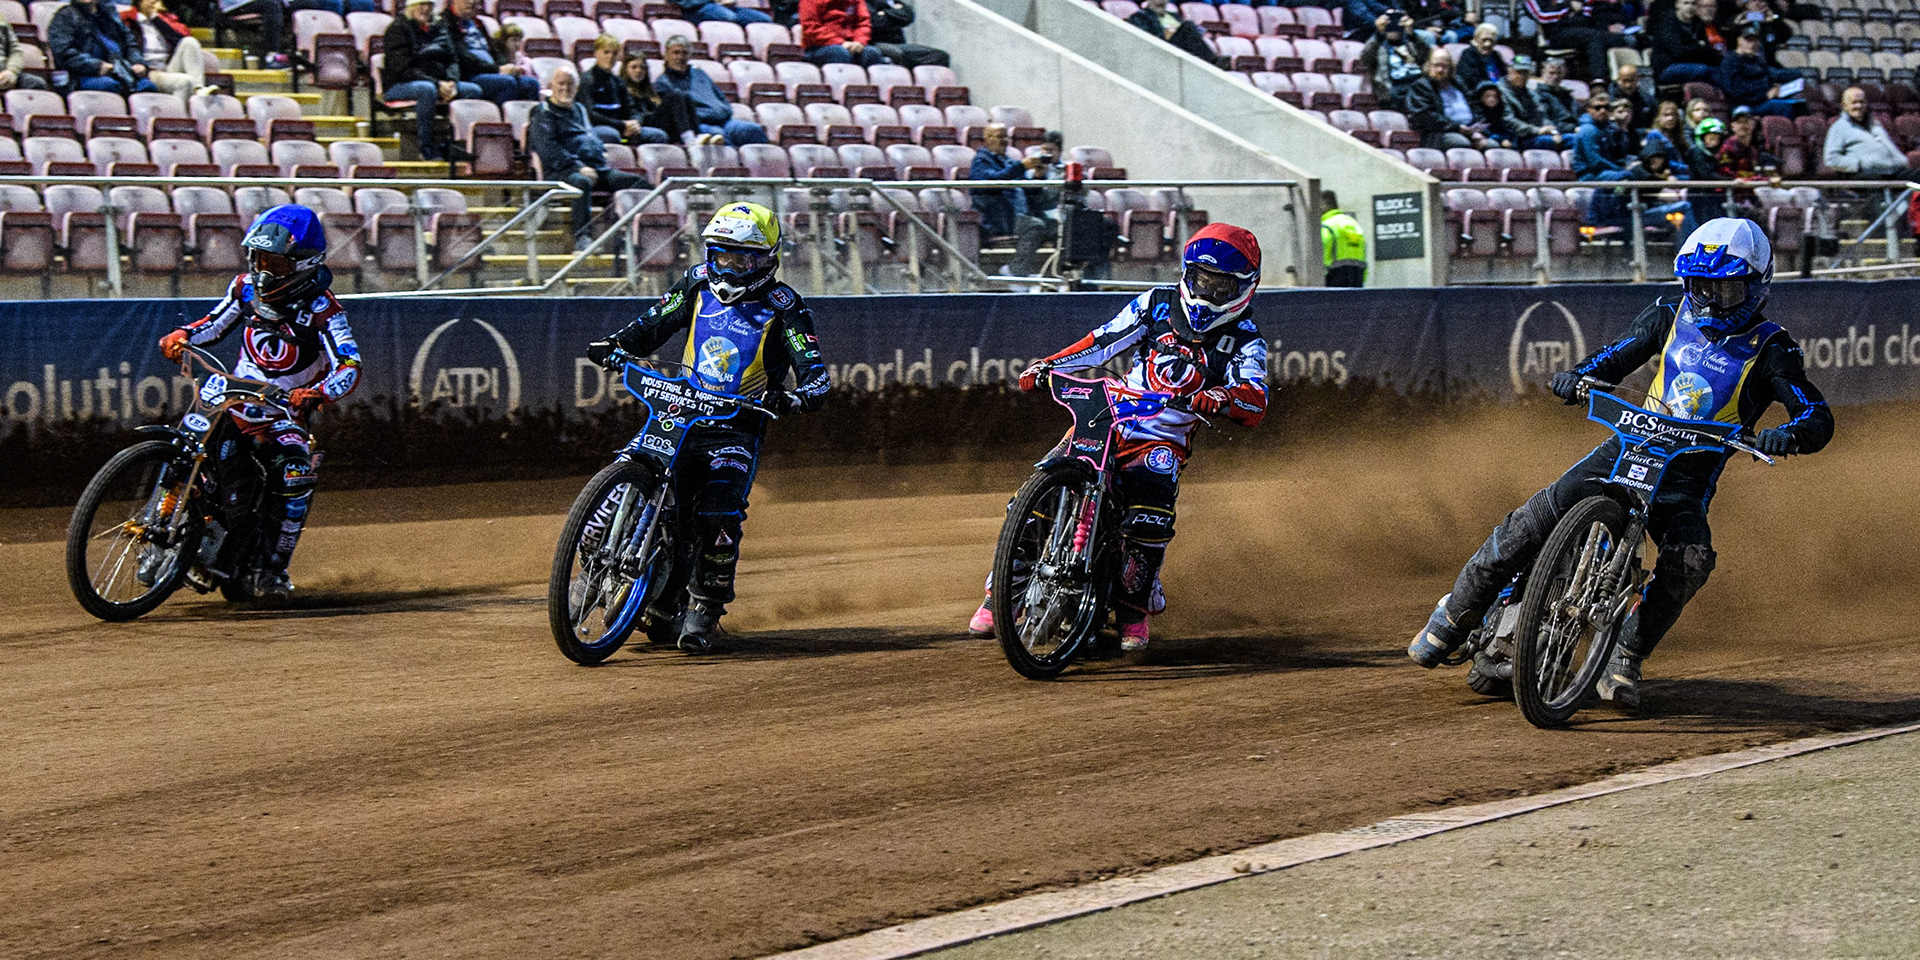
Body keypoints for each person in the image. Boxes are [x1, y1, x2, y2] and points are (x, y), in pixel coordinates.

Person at [1409, 217, 1832, 708]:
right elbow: (1615, 356)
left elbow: (1816, 414)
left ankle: (1625, 654)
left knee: (1690, 561)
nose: (1712, 301)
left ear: (1758, 286)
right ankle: (1454, 614)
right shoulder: (1668, 315)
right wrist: (1578, 375)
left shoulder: (1774, 349)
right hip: (1626, 448)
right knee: (1533, 518)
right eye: (1701, 287)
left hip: (1684, 484)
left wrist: (1789, 435)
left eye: (1727, 289)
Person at [966, 225, 1270, 651]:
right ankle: (1002, 594)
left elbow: (1255, 399)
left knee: (1149, 517)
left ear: (1244, 287)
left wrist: (1221, 397)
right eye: (1202, 280)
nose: (1208, 292)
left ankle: (1133, 611)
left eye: (1221, 286)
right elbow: (1103, 341)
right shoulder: (1157, 303)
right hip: (1109, 414)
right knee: (1034, 496)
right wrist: (1048, 366)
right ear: (1187, 274)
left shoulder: (1247, 341)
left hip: (1162, 438)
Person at [584, 202, 829, 652]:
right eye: (721, 256)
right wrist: (616, 344)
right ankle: (590, 567)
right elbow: (652, 325)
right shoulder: (696, 283)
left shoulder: (786, 306)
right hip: (678, 412)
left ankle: (706, 607)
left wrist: (793, 396)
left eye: (742, 260)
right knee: (620, 477)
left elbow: (817, 376)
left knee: (718, 512)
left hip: (735, 429)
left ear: (767, 261)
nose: (728, 269)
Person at [155, 205, 361, 600]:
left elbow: (350, 365)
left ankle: (273, 570)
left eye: (275, 263)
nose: (264, 272)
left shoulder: (324, 310)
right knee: (187, 444)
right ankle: (166, 521)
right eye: (259, 259)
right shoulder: (244, 288)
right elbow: (213, 324)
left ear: (304, 264)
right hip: (233, 398)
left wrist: (318, 392)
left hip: (283, 413)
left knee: (294, 472)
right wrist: (183, 334)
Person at [529, 67, 652, 249]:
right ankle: (582, 238)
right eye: (561, 84)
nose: (565, 88)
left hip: (594, 168)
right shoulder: (542, 112)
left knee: (637, 182)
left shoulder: (579, 109)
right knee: (582, 182)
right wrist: (579, 166)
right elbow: (549, 150)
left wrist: (596, 156)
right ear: (551, 86)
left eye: (570, 84)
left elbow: (589, 136)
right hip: (561, 171)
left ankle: (631, 234)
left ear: (577, 88)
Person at [382, 0, 477, 162]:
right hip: (399, 84)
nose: (425, 9)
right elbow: (403, 69)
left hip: (438, 83)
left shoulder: (439, 28)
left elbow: (452, 59)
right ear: (411, 7)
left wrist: (451, 83)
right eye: (421, 4)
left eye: (429, 5)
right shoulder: (398, 29)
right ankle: (425, 148)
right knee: (426, 90)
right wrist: (437, 84)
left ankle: (458, 145)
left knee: (473, 90)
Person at [970, 122, 1052, 283]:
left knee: (1058, 227)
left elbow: (1030, 191)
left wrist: (1038, 176)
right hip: (1000, 218)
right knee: (1034, 226)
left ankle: (1057, 277)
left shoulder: (1008, 162)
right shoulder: (980, 161)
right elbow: (994, 181)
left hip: (1021, 215)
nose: (1004, 141)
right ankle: (1015, 272)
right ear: (987, 139)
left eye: (1005, 136)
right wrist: (1021, 166)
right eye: (999, 136)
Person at [656, 35, 770, 147]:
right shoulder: (663, 83)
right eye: (676, 53)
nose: (680, 57)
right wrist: (710, 114)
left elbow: (720, 97)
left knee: (753, 130)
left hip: (725, 121)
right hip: (700, 124)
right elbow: (680, 115)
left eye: (684, 53)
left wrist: (724, 110)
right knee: (718, 135)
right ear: (666, 55)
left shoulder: (699, 74)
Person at [49, 0, 157, 95]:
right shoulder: (65, 16)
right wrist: (97, 66)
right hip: (81, 75)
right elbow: (64, 54)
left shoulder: (111, 16)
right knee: (109, 85)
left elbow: (130, 44)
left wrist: (137, 62)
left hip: (119, 71)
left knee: (147, 86)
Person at [440, 0, 539, 104]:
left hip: (491, 71)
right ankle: (500, 114)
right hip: (470, 73)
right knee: (507, 82)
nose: (472, 2)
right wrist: (497, 69)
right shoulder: (446, 23)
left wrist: (505, 66)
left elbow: (494, 50)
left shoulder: (478, 23)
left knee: (531, 83)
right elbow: (462, 56)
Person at [122, 0, 212, 104]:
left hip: (167, 67)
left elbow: (178, 40)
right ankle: (177, 114)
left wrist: (155, 19)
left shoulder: (163, 19)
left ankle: (198, 89)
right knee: (184, 81)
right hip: (148, 71)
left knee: (189, 42)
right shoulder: (128, 20)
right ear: (139, 2)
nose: (153, 1)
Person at [1823, 86, 1920, 180]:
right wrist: (1859, 164)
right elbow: (1831, 159)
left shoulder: (1875, 124)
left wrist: (1902, 161)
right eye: (1854, 102)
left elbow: (1889, 146)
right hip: (1863, 173)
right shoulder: (1839, 127)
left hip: (1890, 171)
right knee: (1875, 182)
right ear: (1845, 105)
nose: (1858, 106)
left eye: (1861, 102)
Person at [1527, 0, 1632, 81]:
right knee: (1594, 37)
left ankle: (1624, 77)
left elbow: (1587, 11)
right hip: (1556, 34)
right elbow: (1542, 16)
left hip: (1581, 27)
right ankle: (1599, 80)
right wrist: (1568, 7)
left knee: (1614, 37)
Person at [1404, 48, 1484, 149]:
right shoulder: (1421, 86)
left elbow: (1475, 106)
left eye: (1444, 66)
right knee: (1462, 143)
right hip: (1438, 134)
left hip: (1469, 131)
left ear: (1451, 68)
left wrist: (1477, 130)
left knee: (1492, 144)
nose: (1440, 70)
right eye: (1436, 65)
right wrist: (1458, 128)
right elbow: (1425, 116)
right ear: (1429, 66)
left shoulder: (1458, 83)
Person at [582, 35, 657, 144]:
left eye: (614, 53)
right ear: (596, 53)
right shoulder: (586, 80)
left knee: (658, 135)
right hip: (599, 127)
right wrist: (621, 125)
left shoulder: (618, 82)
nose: (610, 57)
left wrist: (635, 123)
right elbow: (590, 115)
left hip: (622, 127)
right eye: (606, 52)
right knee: (612, 134)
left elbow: (632, 109)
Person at [1712, 27, 1802, 117]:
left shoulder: (1757, 61)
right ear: (1739, 40)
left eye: (1755, 40)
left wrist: (1776, 87)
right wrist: (1765, 94)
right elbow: (1736, 89)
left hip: (1762, 100)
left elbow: (1772, 75)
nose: (1752, 44)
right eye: (1749, 40)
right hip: (1744, 105)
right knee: (1782, 107)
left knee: (1799, 105)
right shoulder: (1730, 61)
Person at [1358, 9, 1430, 108]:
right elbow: (1365, 58)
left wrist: (1412, 35)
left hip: (1416, 86)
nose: (1394, 28)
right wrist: (1379, 34)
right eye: (1390, 23)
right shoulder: (1378, 45)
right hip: (1393, 90)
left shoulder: (1411, 42)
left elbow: (1427, 57)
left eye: (1397, 22)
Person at [626, 53, 702, 146]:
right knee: (675, 96)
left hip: (656, 121)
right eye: (634, 67)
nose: (639, 71)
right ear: (625, 69)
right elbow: (633, 114)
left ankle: (697, 135)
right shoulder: (623, 89)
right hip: (640, 124)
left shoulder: (651, 89)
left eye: (642, 68)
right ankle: (688, 138)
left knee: (686, 97)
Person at [1126, 0, 1220, 65]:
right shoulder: (1140, 16)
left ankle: (1211, 61)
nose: (1161, 1)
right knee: (1188, 25)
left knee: (1191, 28)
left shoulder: (1174, 15)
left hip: (1183, 46)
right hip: (1164, 47)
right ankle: (1213, 61)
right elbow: (1146, 40)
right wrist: (1170, 31)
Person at [1650, 0, 1721, 85]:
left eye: (1693, 4)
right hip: (1667, 67)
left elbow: (1707, 49)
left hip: (1692, 64)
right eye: (1686, 3)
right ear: (1677, 5)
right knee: (1707, 71)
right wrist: (1699, 46)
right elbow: (1679, 52)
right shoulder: (1667, 24)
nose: (1689, 7)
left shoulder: (1697, 23)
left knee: (1722, 69)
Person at [1500, 56, 1565, 148]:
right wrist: (1537, 130)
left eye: (1526, 73)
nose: (1522, 76)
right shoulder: (1500, 92)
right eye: (1519, 72)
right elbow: (1508, 120)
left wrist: (1553, 132)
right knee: (1552, 141)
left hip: (1535, 134)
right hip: (1516, 137)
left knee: (1573, 139)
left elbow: (1542, 116)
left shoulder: (1531, 94)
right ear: (1509, 71)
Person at [800, 0, 889, 66]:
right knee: (839, 53)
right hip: (819, 46)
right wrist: (840, 42)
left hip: (852, 44)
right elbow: (811, 27)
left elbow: (863, 23)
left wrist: (859, 41)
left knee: (871, 53)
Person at [867, 0, 948, 68]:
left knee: (939, 56)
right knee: (897, 53)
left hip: (898, 44)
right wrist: (895, 12)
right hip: (875, 44)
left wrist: (884, 13)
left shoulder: (890, 1)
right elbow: (876, 22)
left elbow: (908, 15)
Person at [1571, 89, 1629, 180]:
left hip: (1604, 171)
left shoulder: (1608, 128)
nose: (1602, 111)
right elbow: (1595, 161)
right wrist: (1619, 169)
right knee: (1625, 176)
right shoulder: (1588, 130)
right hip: (1589, 174)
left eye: (1606, 107)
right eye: (1598, 108)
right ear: (1589, 110)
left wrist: (1622, 132)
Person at [1321, 191, 1367, 287]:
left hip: (1332, 284)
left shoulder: (1326, 226)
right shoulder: (1353, 224)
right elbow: (1363, 253)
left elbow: (1321, 256)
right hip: (1357, 283)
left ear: (1322, 206)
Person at [1531, 57, 1580, 132]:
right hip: (1558, 131)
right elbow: (1546, 121)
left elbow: (1576, 115)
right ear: (1543, 73)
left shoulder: (1566, 95)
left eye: (1559, 73)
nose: (1555, 77)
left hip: (1575, 127)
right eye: (1551, 73)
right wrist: (1573, 128)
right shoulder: (1539, 95)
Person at [0, 17, 49, 90]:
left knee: (36, 83)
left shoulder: (2, 23)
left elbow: (15, 52)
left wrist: (12, 71)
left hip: (5, 72)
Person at [1471, 80, 1521, 149]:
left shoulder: (1500, 112)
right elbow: (1483, 130)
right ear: (1480, 98)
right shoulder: (1476, 113)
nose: (1492, 99)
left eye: (1495, 96)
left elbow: (1509, 131)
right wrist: (1501, 140)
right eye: (1488, 96)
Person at [1456, 22, 1507, 87]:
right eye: (1484, 40)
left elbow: (1505, 75)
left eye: (1491, 40)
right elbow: (1470, 80)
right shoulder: (1468, 54)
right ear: (1476, 40)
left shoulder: (1496, 55)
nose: (1487, 44)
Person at [1685, 115, 1726, 180]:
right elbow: (1706, 175)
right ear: (1702, 137)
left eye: (1717, 138)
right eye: (1711, 138)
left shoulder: (1719, 154)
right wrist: (1731, 180)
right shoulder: (1696, 152)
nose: (1714, 141)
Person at [675, 0, 772, 26]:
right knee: (729, 16)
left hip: (725, 8)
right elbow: (685, 3)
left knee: (764, 19)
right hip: (696, 10)